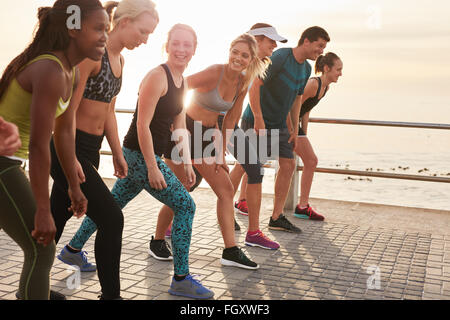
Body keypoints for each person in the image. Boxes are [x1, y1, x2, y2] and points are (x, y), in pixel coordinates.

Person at [49, 0, 159, 300]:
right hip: (69, 149)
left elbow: (109, 110)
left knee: (54, 222)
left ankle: (30, 288)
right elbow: (66, 113)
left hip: (89, 151)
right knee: (112, 218)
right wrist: (70, 159)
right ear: (124, 23)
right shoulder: (90, 56)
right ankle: (112, 296)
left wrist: (118, 153)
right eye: (143, 31)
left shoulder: (119, 61)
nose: (145, 39)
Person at [0, 0, 107, 300]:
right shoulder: (49, 69)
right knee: (41, 246)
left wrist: (74, 186)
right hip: (2, 165)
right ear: (73, 28)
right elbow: (37, 143)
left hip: (9, 163)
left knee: (39, 248)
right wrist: (44, 210)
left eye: (106, 30)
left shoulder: (68, 72)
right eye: (98, 28)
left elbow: (63, 131)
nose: (104, 37)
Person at [98, 23, 212, 299]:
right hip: (138, 155)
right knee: (186, 205)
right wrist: (151, 166)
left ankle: (72, 250)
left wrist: (186, 163)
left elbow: (179, 124)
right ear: (167, 45)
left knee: (111, 206)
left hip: (144, 156)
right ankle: (181, 279)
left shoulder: (181, 81)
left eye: (187, 45)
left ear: (195, 50)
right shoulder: (156, 76)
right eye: (176, 43)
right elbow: (142, 125)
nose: (181, 49)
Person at [160, 23, 288, 251]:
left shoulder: (243, 81)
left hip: (208, 134)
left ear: (251, 58)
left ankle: (232, 249)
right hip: (187, 131)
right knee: (180, 191)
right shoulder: (214, 72)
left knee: (223, 190)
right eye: (235, 52)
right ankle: (159, 238)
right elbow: (179, 86)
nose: (238, 58)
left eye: (244, 55)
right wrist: (173, 121)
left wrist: (220, 152)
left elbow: (230, 120)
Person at [239, 26, 330, 233]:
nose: (321, 51)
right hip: (256, 120)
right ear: (306, 41)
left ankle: (277, 216)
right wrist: (259, 119)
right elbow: (256, 84)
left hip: (280, 124)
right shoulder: (281, 56)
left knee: (288, 165)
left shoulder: (306, 68)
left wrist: (293, 128)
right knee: (244, 167)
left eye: (324, 47)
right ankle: (230, 206)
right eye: (319, 46)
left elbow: (297, 99)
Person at [293, 52, 343, 220]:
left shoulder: (325, 87)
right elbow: (294, 105)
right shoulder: (313, 84)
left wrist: (303, 135)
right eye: (338, 69)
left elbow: (306, 110)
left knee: (309, 161)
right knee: (311, 161)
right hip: (284, 122)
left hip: (294, 125)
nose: (340, 73)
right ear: (327, 68)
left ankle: (302, 206)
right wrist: (294, 131)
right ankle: (302, 206)